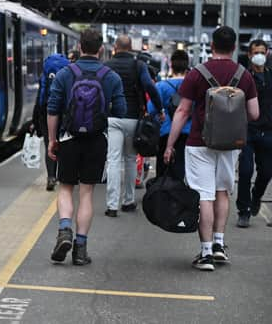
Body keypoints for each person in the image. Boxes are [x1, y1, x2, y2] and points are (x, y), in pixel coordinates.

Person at [165, 26, 258, 271]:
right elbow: (254, 113)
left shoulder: (197, 73)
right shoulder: (244, 75)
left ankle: (205, 253)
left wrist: (170, 144)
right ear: (235, 47)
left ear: (212, 46)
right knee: (222, 192)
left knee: (204, 195)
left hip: (199, 142)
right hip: (231, 145)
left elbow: (183, 111)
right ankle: (219, 244)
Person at [47, 29, 125, 265]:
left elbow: (52, 109)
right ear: (100, 49)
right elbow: (120, 111)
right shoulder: (111, 76)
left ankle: (64, 230)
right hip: (96, 140)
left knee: (66, 188)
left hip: (69, 139)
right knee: (87, 193)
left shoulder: (64, 73)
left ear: (79, 46)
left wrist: (53, 139)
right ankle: (80, 250)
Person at [104, 36, 164, 217]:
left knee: (113, 160)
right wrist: (159, 108)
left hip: (112, 118)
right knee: (130, 159)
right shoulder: (138, 65)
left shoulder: (107, 66)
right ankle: (128, 201)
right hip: (132, 118)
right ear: (130, 48)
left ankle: (111, 205)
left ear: (115, 47)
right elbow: (150, 87)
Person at [236, 40, 272, 228]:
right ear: (249, 55)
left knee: (266, 171)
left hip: (268, 131)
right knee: (245, 171)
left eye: (262, 52)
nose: (259, 55)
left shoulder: (270, 75)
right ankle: (244, 211)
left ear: (267, 54)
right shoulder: (243, 77)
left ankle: (256, 196)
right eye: (256, 52)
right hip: (248, 130)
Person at [147, 50, 191, 181]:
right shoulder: (192, 86)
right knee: (183, 168)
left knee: (163, 167)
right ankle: (180, 195)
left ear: (171, 65)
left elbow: (150, 109)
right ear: (187, 65)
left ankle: (163, 195)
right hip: (187, 132)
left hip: (165, 132)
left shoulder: (161, 86)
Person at [32, 52, 70, 191]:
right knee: (63, 143)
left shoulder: (44, 75)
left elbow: (39, 98)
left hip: (46, 112)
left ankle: (51, 177)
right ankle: (61, 175)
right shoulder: (67, 73)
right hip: (63, 112)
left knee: (49, 143)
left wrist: (35, 120)